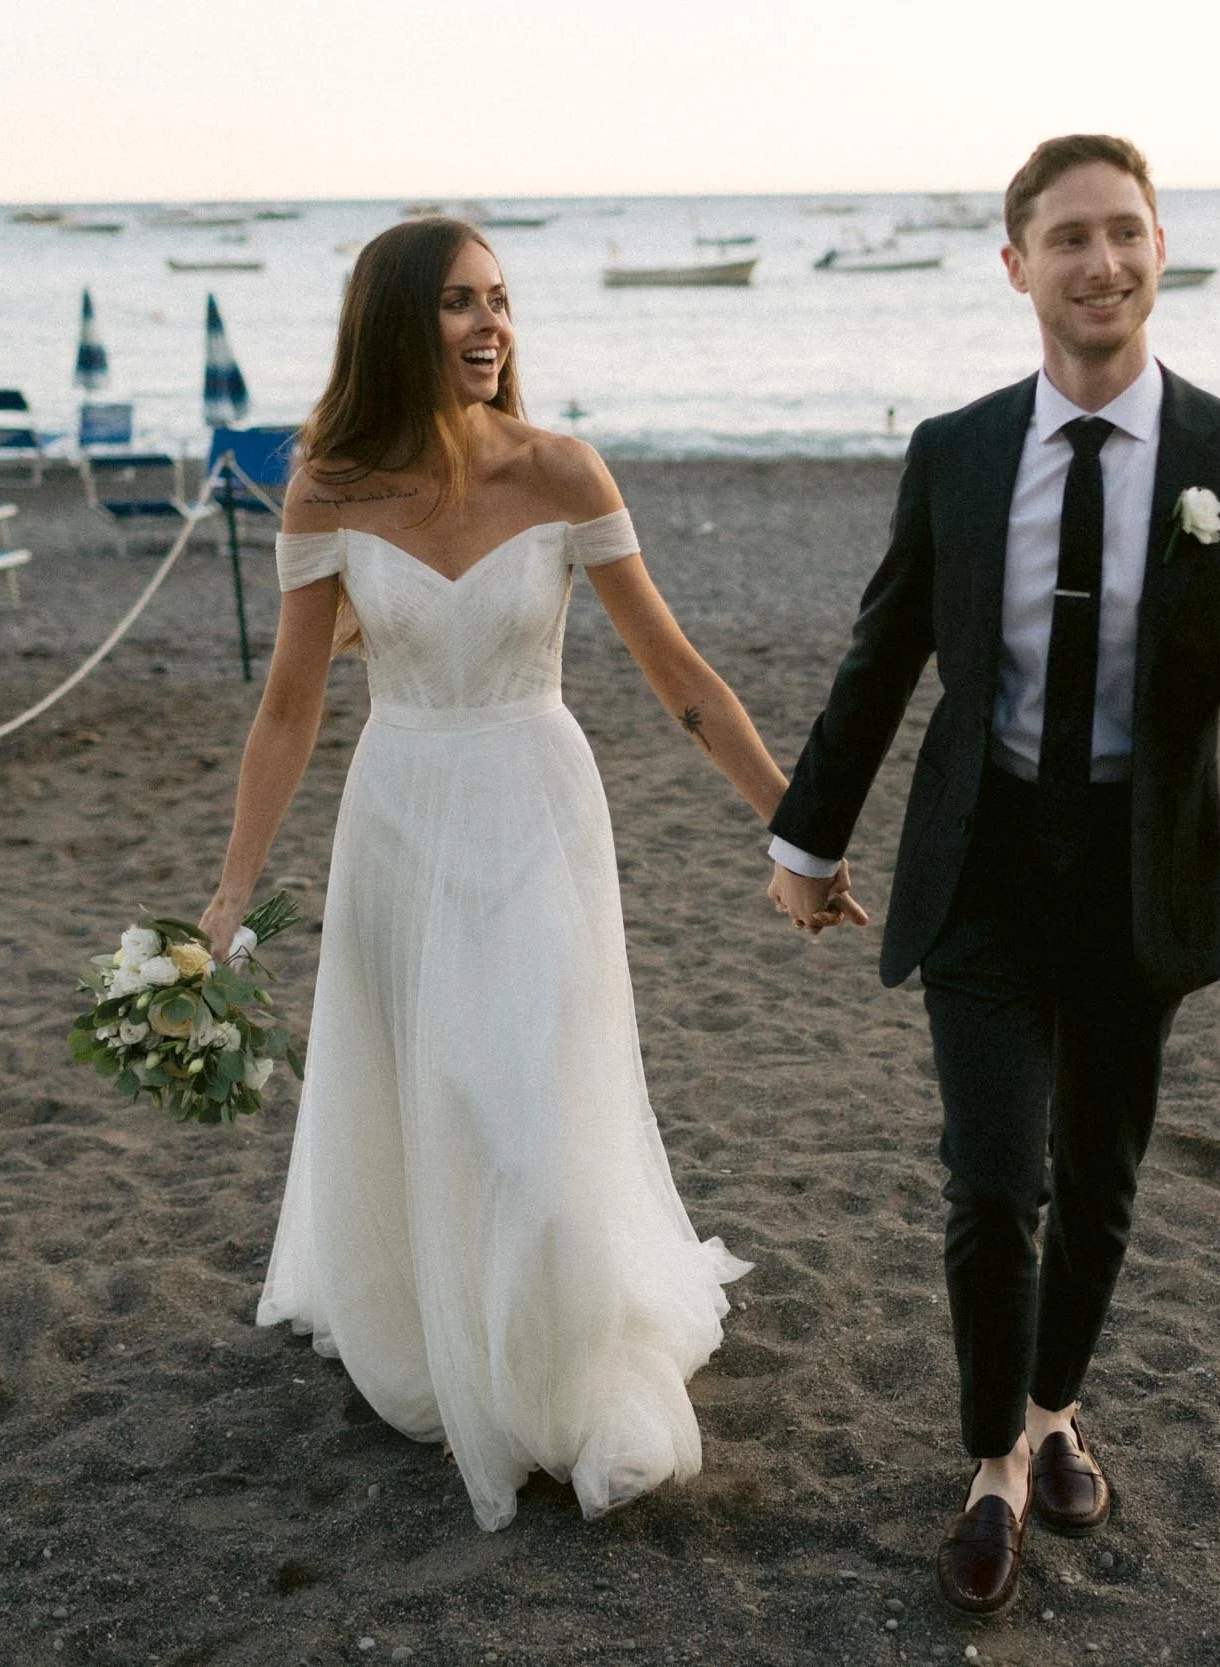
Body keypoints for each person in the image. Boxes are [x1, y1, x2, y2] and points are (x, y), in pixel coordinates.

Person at [762, 136, 1220, 1613]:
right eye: (1068, 239)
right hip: (980, 864)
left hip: (1137, 876)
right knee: (995, 1185)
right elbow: (882, 656)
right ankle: (992, 1462)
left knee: (1097, 1183)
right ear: (1016, 266)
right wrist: (805, 838)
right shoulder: (959, 454)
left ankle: (1054, 1409)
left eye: (1125, 233)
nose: (1100, 263)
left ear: (1162, 247)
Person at [198, 217, 857, 1531]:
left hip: (538, 815)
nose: (489, 325)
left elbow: (678, 674)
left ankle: (561, 1372)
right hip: (396, 818)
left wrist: (799, 825)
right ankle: (455, 1326)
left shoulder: (561, 473)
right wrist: (228, 893)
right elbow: (288, 709)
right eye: (457, 304)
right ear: (398, 324)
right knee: (437, 1096)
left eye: (500, 300)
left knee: (534, 1111)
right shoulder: (327, 485)